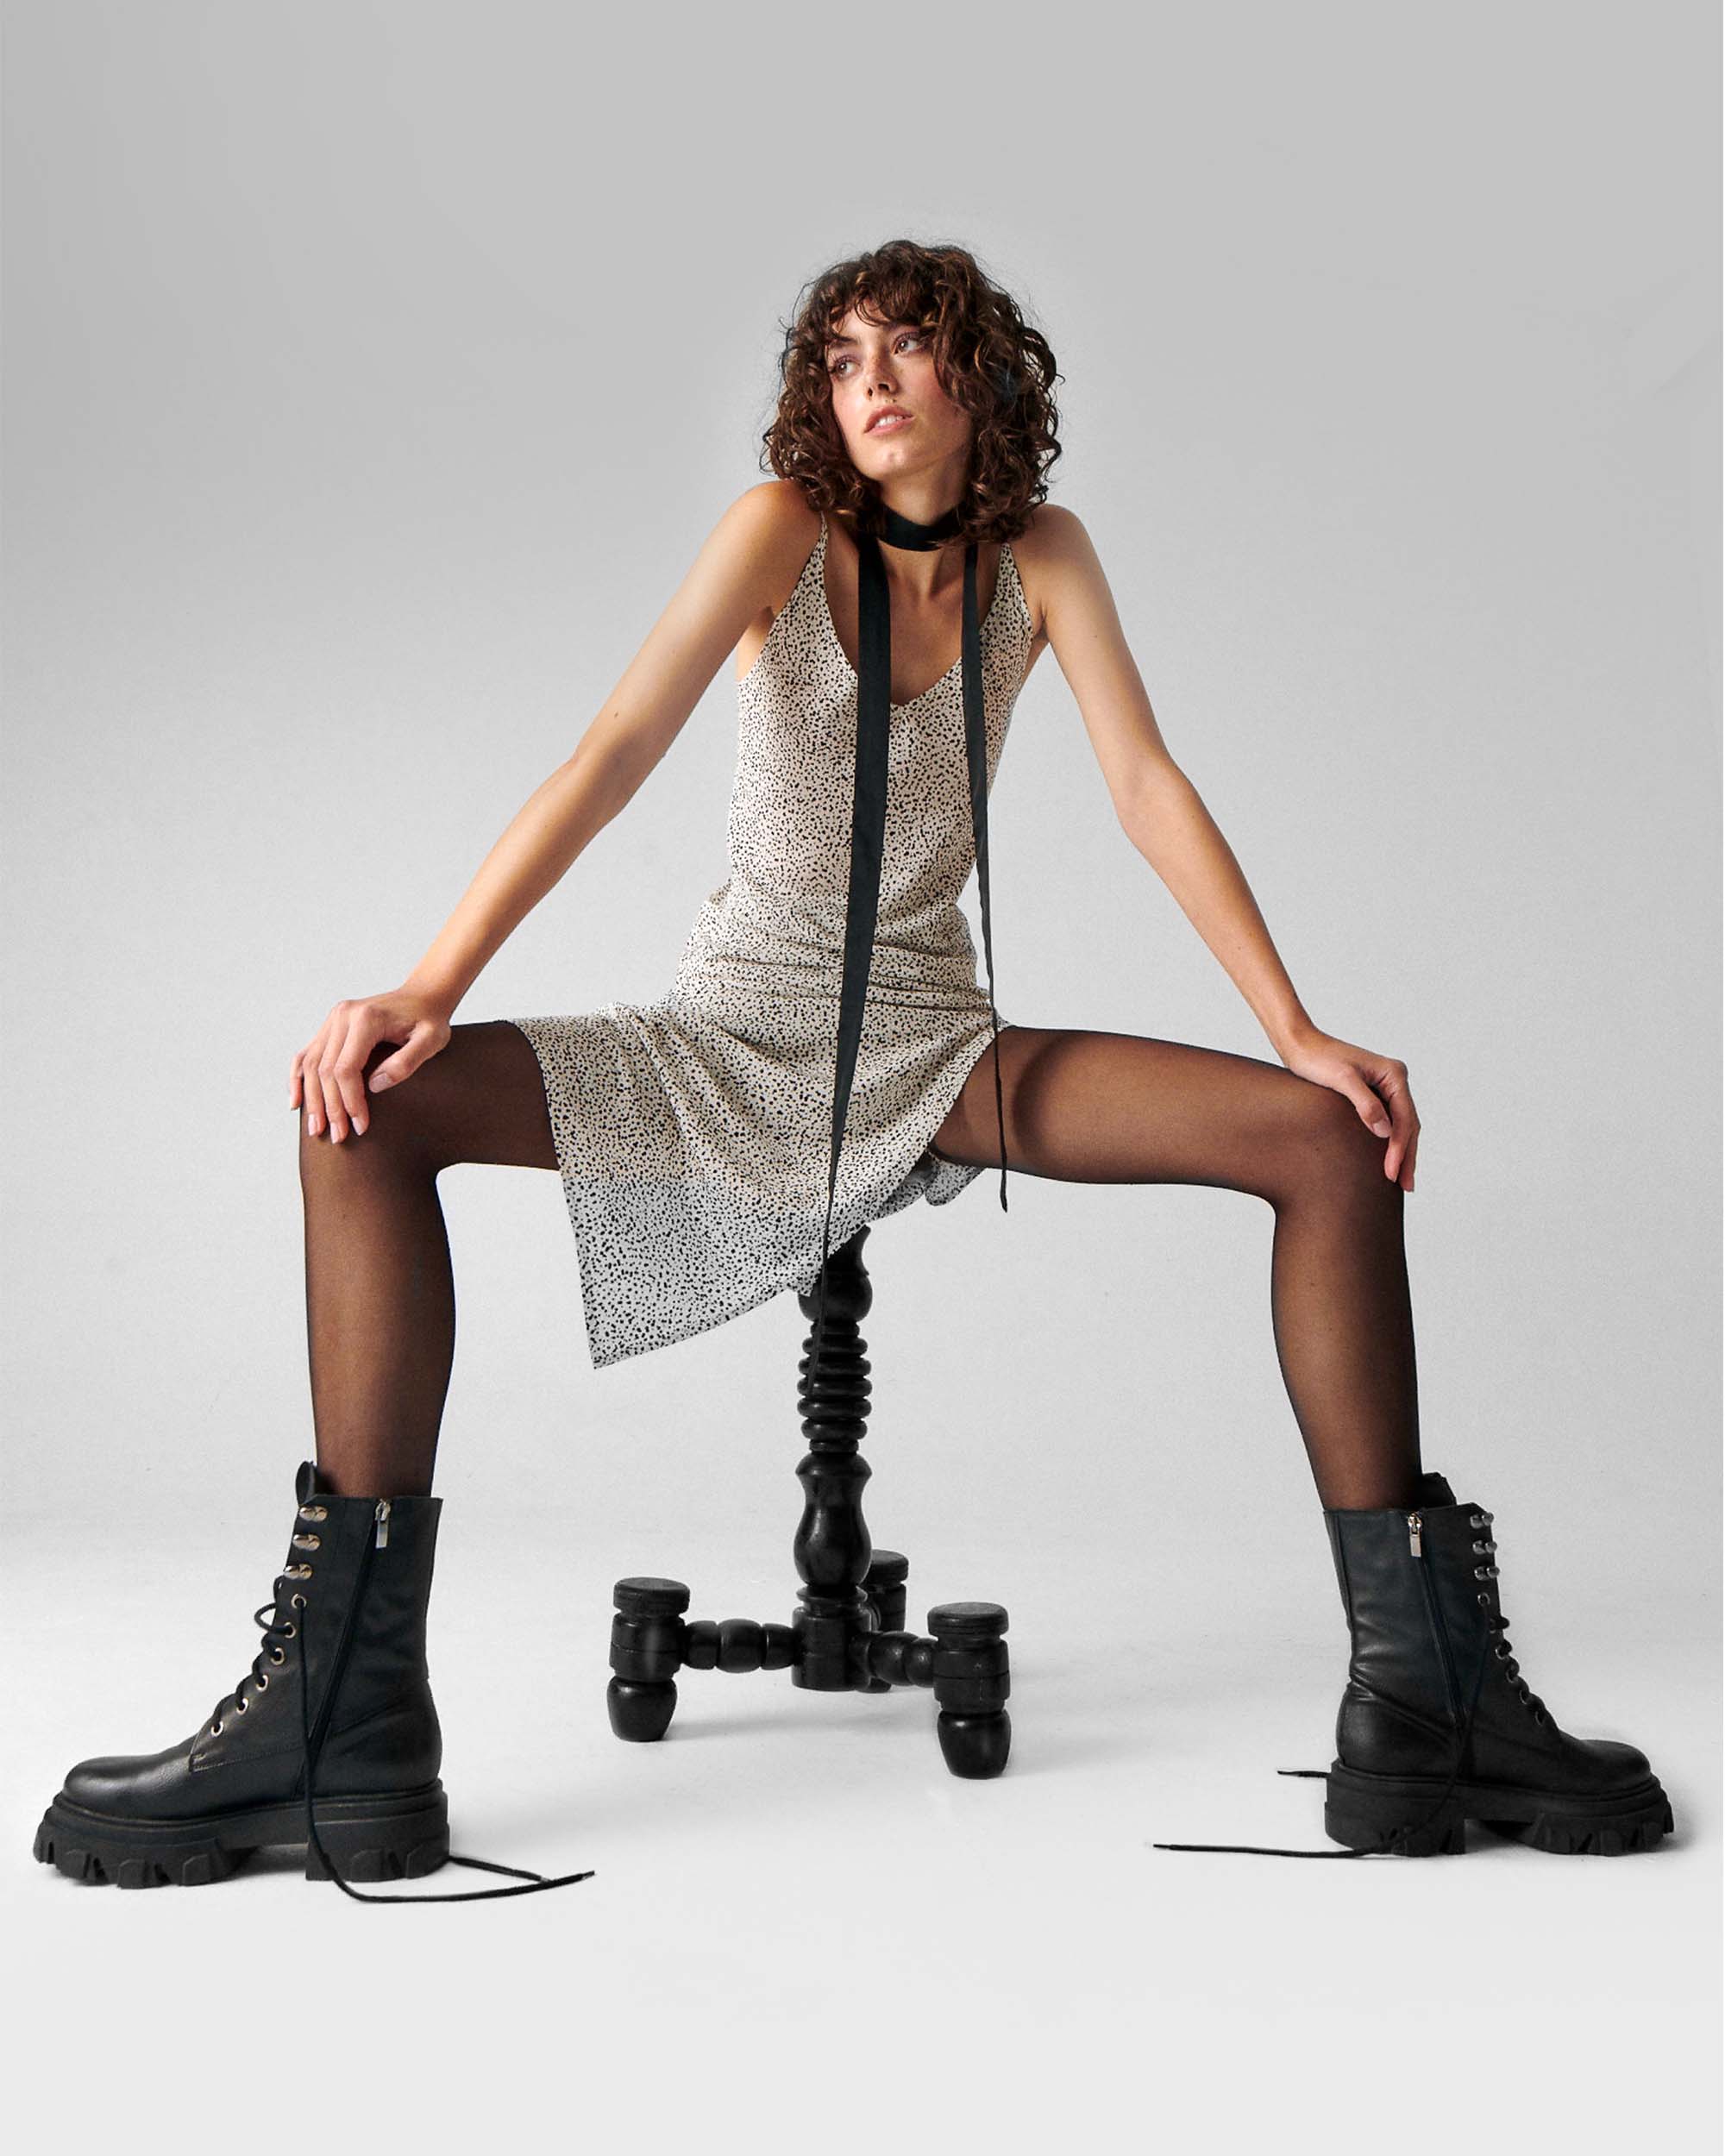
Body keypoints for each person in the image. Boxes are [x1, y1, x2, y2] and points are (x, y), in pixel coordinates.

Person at [33, 239, 1671, 1893]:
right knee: (361, 1113)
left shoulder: (1047, 558)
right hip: (731, 1036)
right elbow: (611, 753)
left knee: (1325, 1139)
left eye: (905, 348)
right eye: (838, 358)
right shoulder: (777, 532)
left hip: (935, 1046)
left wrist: (1296, 1026)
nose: (868, 381)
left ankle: (1423, 1708)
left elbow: (1147, 785)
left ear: (981, 378)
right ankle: (347, 1723)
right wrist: (430, 981)